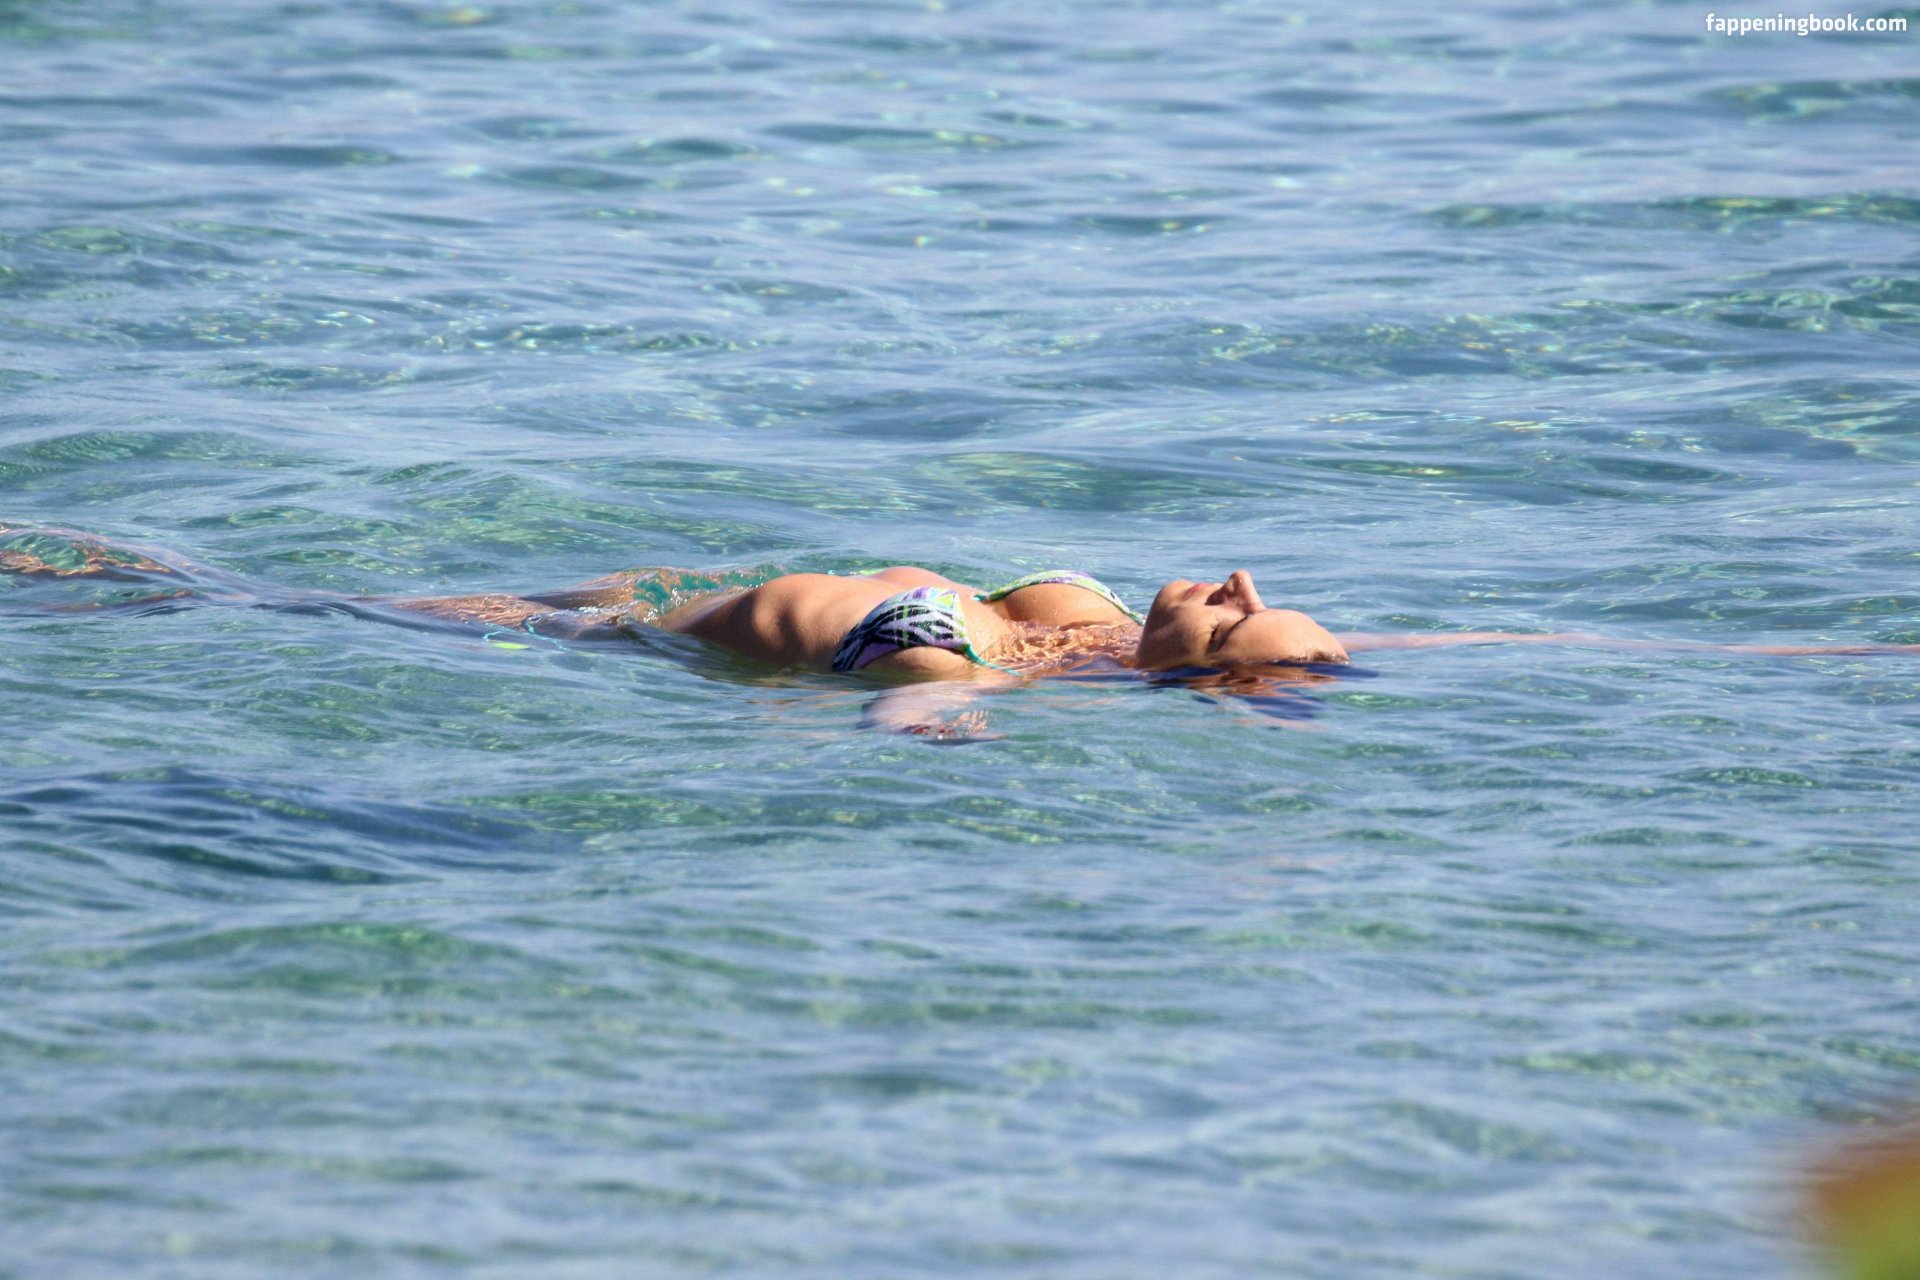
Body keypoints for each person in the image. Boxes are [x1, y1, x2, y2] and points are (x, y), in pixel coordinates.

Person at [4, 522, 1911, 737]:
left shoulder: (964, 655)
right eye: (1253, 593)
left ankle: (86, 576)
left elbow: (912, 719)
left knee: (242, 594)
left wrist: (939, 734)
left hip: (600, 645)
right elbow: (1525, 651)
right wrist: (1819, 658)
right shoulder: (1084, 623)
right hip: (642, 587)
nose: (1241, 584)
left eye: (1243, 619)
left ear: (1202, 671)